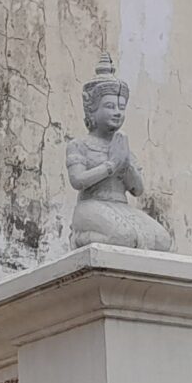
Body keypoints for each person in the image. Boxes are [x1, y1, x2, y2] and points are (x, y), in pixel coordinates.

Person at [66, 55, 171, 251]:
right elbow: (77, 180)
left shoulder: (122, 146)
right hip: (91, 204)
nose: (117, 112)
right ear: (92, 110)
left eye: (121, 107)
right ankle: (80, 237)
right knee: (122, 237)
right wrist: (111, 166)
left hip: (121, 206)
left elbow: (137, 190)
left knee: (161, 241)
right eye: (110, 106)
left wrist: (126, 163)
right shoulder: (80, 145)